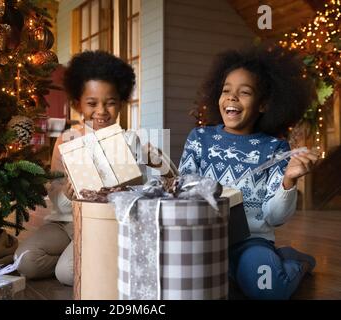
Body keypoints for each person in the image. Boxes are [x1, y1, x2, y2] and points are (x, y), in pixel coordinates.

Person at [179, 46, 319, 299]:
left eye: (244, 93)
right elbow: (183, 190)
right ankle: (236, 273)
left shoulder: (275, 148)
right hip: (203, 239)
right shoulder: (199, 139)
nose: (232, 98)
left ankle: (295, 261)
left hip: (252, 242)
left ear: (264, 104)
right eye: (226, 91)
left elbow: (274, 218)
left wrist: (288, 180)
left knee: (269, 289)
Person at [16, 50, 157, 286]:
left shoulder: (129, 140)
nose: (101, 111)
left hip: (103, 223)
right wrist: (66, 195)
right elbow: (56, 194)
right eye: (92, 103)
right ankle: (88, 259)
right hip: (65, 222)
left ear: (121, 103)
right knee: (24, 261)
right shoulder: (66, 141)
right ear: (77, 104)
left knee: (68, 273)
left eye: (110, 103)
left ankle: (95, 259)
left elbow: (139, 192)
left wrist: (148, 162)